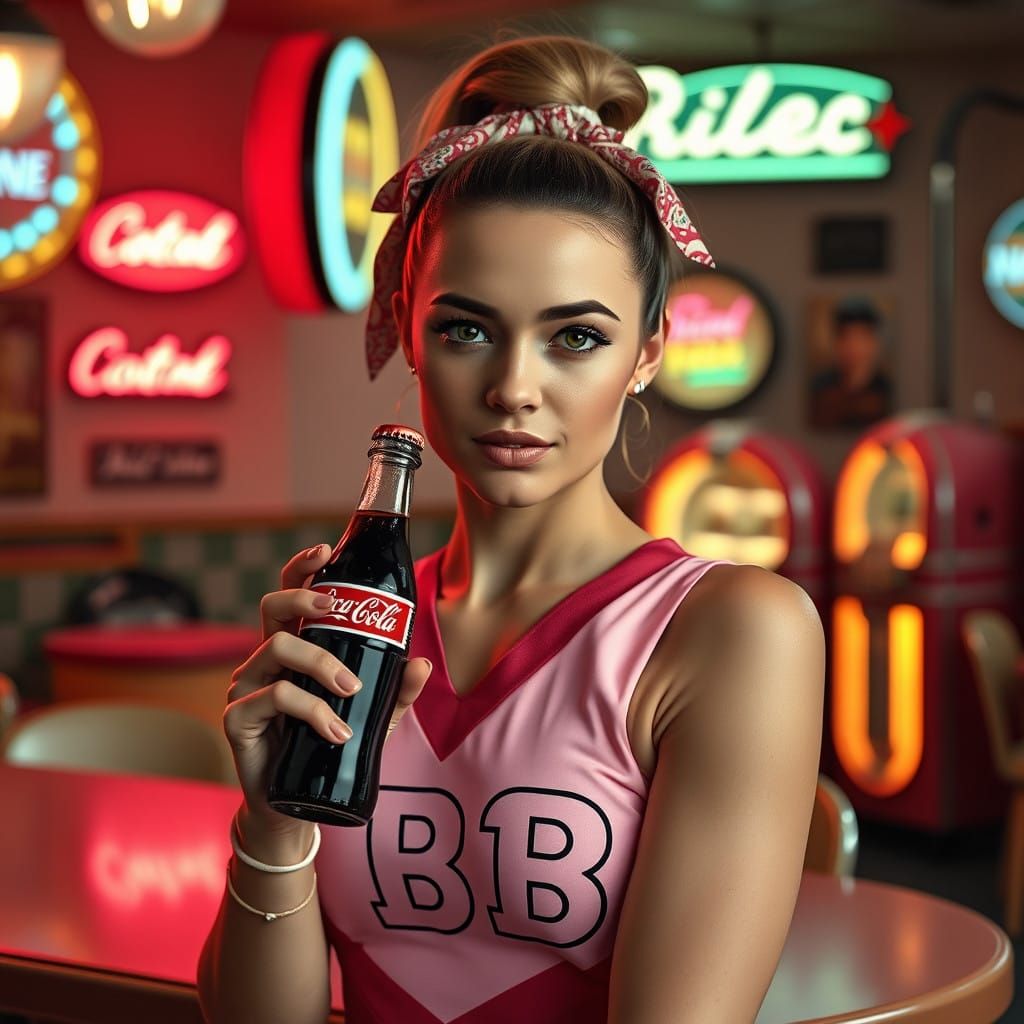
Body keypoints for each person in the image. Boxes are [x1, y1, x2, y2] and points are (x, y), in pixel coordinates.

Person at [198, 35, 824, 1024]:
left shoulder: (733, 630)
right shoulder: (356, 617)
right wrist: (272, 822)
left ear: (650, 351)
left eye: (576, 336)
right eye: (465, 328)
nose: (513, 389)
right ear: (404, 322)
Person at [809, 296, 893, 430]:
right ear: (836, 343)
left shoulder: (889, 391)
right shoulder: (818, 390)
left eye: (861, 337)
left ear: (875, 343)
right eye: (846, 337)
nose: (854, 347)